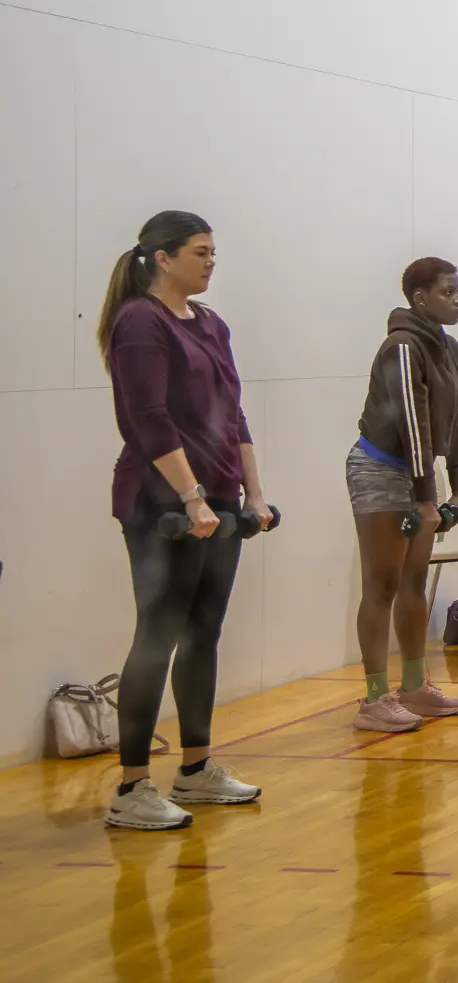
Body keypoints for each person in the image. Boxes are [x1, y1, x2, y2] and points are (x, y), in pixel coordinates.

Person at [98, 211, 268, 830]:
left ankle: (196, 770)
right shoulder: (139, 322)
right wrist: (191, 497)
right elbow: (147, 418)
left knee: (203, 631)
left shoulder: (212, 325)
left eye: (214, 252)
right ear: (162, 258)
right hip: (160, 501)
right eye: (200, 252)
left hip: (217, 498)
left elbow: (235, 415)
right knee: (158, 634)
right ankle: (131, 786)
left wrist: (252, 494)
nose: (211, 262)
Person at [346, 258, 458, 733]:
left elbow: (456, 423)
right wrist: (425, 497)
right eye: (448, 292)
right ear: (420, 298)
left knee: (414, 582)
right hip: (380, 469)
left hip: (420, 475)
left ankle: (415, 685)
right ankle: (374, 698)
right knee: (382, 582)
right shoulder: (401, 347)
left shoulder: (452, 351)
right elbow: (413, 424)